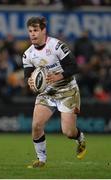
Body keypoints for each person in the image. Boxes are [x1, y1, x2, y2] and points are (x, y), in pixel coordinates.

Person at [22, 16, 86, 168]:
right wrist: (30, 82)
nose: (33, 34)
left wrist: (59, 75)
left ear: (44, 30)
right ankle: (41, 159)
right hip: (47, 92)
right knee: (36, 125)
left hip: (67, 90)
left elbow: (74, 67)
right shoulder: (28, 54)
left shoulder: (57, 46)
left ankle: (80, 137)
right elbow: (28, 76)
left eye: (36, 30)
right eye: (30, 31)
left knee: (68, 132)